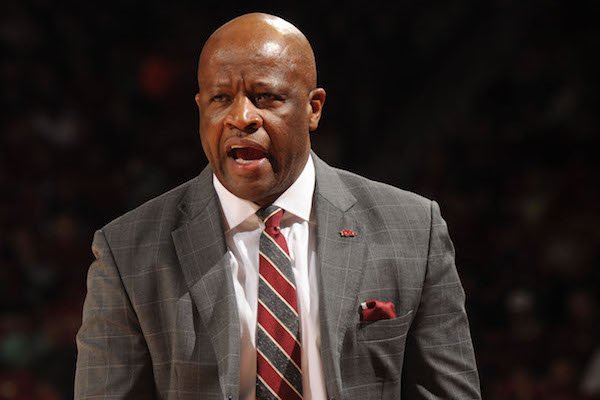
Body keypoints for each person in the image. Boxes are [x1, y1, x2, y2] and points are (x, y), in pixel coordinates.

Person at [74, 12, 481, 400]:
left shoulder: (413, 228)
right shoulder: (127, 251)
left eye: (265, 97)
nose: (241, 117)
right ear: (200, 108)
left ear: (313, 108)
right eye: (220, 98)